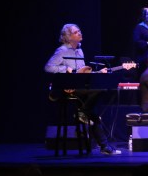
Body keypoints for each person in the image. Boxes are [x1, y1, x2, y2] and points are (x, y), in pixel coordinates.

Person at [44, 23, 120, 155]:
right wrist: (65, 69)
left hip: (79, 87)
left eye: (79, 31)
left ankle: (102, 142)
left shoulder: (80, 51)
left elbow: (81, 73)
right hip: (66, 89)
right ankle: (102, 143)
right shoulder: (62, 51)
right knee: (92, 105)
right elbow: (48, 67)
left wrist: (96, 72)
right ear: (68, 37)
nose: (79, 33)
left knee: (97, 97)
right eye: (76, 32)